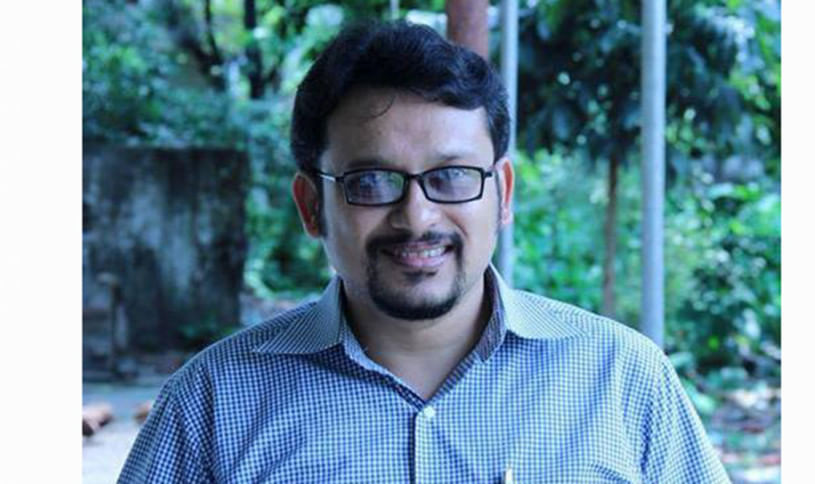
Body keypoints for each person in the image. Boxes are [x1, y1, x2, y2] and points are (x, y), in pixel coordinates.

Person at [119, 20, 730, 483]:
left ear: (503, 193)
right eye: (371, 182)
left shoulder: (621, 378)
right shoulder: (212, 403)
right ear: (310, 205)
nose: (416, 218)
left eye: (452, 176)